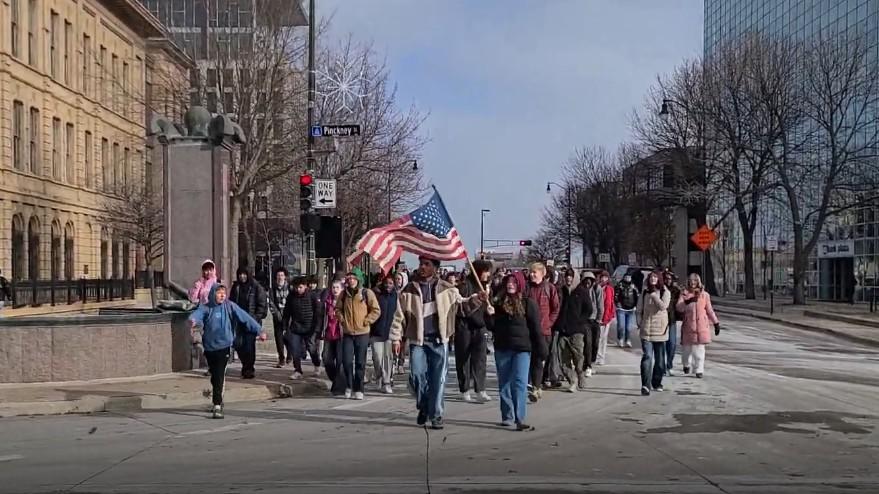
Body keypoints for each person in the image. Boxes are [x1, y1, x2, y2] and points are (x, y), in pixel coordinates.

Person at [391, 256, 485, 429]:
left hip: (439, 341)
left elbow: (462, 307)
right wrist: (396, 338)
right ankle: (424, 405)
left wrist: (477, 299)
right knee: (417, 376)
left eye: (427, 264)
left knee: (438, 381)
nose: (422, 267)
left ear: (435, 268)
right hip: (418, 341)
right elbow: (399, 316)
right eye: (421, 264)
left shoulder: (447, 289)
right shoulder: (409, 289)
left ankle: (436, 415)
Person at [189, 283, 266, 418]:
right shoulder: (206, 307)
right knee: (215, 375)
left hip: (224, 346)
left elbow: (245, 317)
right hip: (209, 347)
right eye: (219, 293)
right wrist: (193, 320)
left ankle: (217, 405)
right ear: (213, 294)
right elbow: (197, 315)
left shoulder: (230, 306)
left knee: (219, 375)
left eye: (223, 293)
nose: (222, 295)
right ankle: (218, 398)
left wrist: (259, 330)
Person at [486, 274, 541, 431]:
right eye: (508, 282)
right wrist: (489, 315)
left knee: (520, 383)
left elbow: (536, 328)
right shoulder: (498, 303)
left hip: (522, 349)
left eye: (514, 282)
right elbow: (492, 327)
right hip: (503, 347)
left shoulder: (528, 303)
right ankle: (507, 416)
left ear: (520, 285)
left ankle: (520, 418)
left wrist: (541, 349)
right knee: (504, 383)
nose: (510, 285)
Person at [337, 271, 382, 400]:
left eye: (353, 278)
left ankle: (359, 388)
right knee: (346, 361)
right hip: (348, 333)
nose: (351, 280)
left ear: (358, 279)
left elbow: (376, 310)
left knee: (360, 362)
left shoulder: (366, 293)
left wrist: (367, 320)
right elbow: (337, 309)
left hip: (362, 333)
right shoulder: (343, 294)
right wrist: (342, 319)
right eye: (349, 278)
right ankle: (349, 385)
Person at [455, 260, 493, 403]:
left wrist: (490, 310)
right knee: (464, 359)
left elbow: (490, 305)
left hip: (480, 327)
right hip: (465, 327)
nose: (488, 274)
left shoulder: (487, 287)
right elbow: (460, 307)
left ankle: (480, 389)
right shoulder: (465, 285)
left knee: (480, 359)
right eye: (485, 271)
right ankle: (464, 389)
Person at [524, 262, 560, 403]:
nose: (532, 275)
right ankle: (532, 385)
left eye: (535, 272)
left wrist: (549, 323)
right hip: (528, 330)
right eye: (531, 272)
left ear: (542, 273)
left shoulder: (549, 288)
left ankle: (536, 386)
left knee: (538, 359)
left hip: (544, 331)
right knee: (528, 359)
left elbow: (555, 308)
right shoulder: (527, 288)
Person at [676, 273, 720, 379]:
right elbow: (679, 308)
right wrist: (687, 302)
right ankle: (686, 364)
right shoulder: (684, 294)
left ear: (698, 282)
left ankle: (699, 369)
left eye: (695, 280)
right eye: (691, 280)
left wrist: (716, 323)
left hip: (701, 326)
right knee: (687, 351)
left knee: (699, 351)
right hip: (688, 326)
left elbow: (709, 310)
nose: (693, 282)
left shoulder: (704, 295)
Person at [556, 268, 591, 392]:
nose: (568, 278)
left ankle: (580, 373)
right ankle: (572, 380)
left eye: (571, 276)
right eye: (567, 276)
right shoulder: (561, 291)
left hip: (577, 331)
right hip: (563, 330)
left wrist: (580, 320)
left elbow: (589, 309)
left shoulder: (581, 291)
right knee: (563, 358)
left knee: (578, 357)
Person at [229, 267, 268, 379]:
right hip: (238, 321)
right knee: (237, 344)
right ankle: (245, 365)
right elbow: (231, 302)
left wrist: (255, 318)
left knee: (249, 345)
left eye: (244, 274)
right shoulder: (236, 286)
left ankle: (249, 369)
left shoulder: (256, 287)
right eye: (240, 274)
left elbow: (262, 305)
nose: (242, 276)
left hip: (251, 321)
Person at [282, 276, 322, 379]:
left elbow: (318, 313)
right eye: (296, 287)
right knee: (295, 349)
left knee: (311, 348)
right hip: (296, 327)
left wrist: (317, 328)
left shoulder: (312, 296)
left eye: (300, 287)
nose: (298, 289)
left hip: (310, 327)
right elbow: (286, 313)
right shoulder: (291, 297)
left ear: (305, 286)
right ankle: (298, 370)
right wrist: (285, 327)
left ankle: (317, 364)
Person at [638, 271, 671, 396]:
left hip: (660, 331)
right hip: (646, 330)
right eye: (651, 277)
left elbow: (663, 306)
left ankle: (656, 382)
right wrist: (639, 322)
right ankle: (645, 385)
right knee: (647, 357)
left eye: (655, 277)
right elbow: (639, 308)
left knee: (660, 361)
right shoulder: (644, 292)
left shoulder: (665, 292)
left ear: (659, 279)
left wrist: (654, 295)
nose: (653, 279)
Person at [371, 274, 403, 394]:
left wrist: (396, 336)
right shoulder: (376, 294)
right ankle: (379, 375)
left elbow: (398, 316)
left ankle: (386, 382)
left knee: (388, 358)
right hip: (376, 332)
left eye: (390, 283)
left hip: (389, 332)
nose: (388, 286)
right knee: (377, 357)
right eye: (386, 283)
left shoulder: (396, 296)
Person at [320, 279, 347, 395]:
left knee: (340, 361)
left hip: (341, 335)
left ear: (342, 289)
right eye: (333, 287)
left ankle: (339, 387)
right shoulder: (327, 301)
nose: (335, 290)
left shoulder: (345, 301)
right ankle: (336, 380)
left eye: (337, 287)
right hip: (328, 334)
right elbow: (322, 317)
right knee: (326, 359)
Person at [268, 268, 291, 368]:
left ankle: (290, 354)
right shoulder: (272, 289)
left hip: (289, 316)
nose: (280, 277)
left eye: (282, 275)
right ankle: (281, 358)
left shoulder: (290, 288)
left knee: (288, 337)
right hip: (277, 316)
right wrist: (276, 314)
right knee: (279, 338)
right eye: (278, 275)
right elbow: (271, 303)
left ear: (285, 277)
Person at [583, 271, 603, 377]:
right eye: (586, 280)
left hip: (595, 320)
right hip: (585, 320)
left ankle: (591, 361)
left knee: (595, 343)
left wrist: (599, 318)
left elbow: (600, 304)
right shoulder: (581, 290)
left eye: (589, 280)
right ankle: (588, 366)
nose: (588, 282)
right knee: (588, 343)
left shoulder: (597, 288)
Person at [663, 271, 683, 376]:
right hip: (661, 321)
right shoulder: (660, 290)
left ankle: (669, 365)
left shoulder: (676, 291)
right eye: (666, 278)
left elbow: (682, 303)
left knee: (672, 344)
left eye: (670, 279)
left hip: (672, 320)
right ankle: (661, 367)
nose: (668, 280)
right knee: (662, 345)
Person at [596, 271, 615, 366]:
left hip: (606, 317)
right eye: (602, 277)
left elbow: (609, 304)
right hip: (598, 316)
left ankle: (601, 357)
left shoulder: (609, 289)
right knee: (598, 337)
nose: (603, 279)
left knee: (603, 338)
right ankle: (597, 355)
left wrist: (606, 318)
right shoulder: (598, 287)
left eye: (605, 277)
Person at [615, 274, 638, 348]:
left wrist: (635, 305)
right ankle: (620, 338)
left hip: (631, 309)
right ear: (624, 277)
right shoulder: (620, 285)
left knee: (628, 327)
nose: (628, 278)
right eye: (626, 277)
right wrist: (617, 303)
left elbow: (637, 296)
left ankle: (628, 340)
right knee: (621, 326)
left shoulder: (633, 286)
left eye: (629, 277)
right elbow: (615, 296)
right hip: (621, 309)